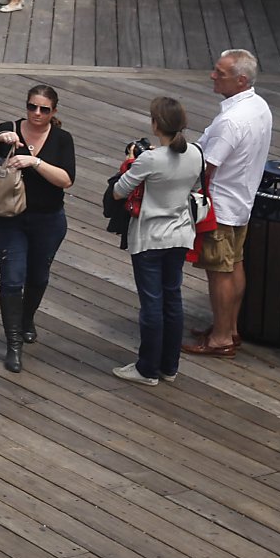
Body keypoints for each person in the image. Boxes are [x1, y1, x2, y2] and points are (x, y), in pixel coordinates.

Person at [0, 84, 77, 373]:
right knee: (12, 279)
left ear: (54, 112)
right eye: (32, 107)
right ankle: (13, 344)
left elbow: (66, 179)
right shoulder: (10, 129)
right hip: (7, 217)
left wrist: (35, 162)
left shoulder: (62, 139)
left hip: (48, 219)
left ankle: (27, 319)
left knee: (38, 276)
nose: (37, 114)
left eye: (44, 109)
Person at [183, 49, 274, 359]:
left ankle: (220, 339)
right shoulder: (258, 106)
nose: (212, 75)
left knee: (218, 271)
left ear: (241, 79)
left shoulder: (232, 121)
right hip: (242, 200)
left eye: (219, 73)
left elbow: (206, 166)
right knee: (234, 264)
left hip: (220, 206)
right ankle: (229, 328)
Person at [113, 97, 205, 384]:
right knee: (172, 300)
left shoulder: (149, 159)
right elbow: (196, 187)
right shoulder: (196, 153)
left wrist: (132, 160)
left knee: (151, 304)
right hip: (180, 236)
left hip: (151, 238)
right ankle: (169, 367)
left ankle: (146, 369)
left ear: (156, 124)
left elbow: (119, 190)